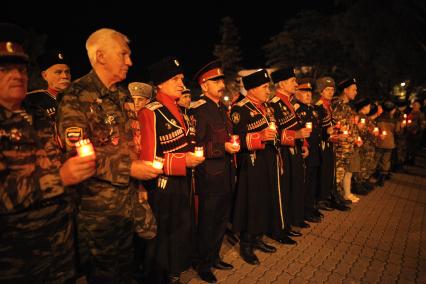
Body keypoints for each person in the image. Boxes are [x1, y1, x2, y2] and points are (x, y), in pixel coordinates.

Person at [56, 28, 162, 283]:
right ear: (101, 56)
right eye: (124, 54)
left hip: (127, 202)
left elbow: (129, 143)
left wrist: (137, 183)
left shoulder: (122, 94)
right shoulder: (76, 96)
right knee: (105, 275)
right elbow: (76, 156)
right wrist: (129, 169)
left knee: (126, 269)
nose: (130, 61)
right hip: (97, 210)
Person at [0, 22, 96, 283]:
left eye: (20, 67)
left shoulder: (36, 118)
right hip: (19, 259)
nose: (17, 75)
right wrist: (60, 178)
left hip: (60, 249)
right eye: (5, 68)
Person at [138, 56, 204, 284]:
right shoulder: (151, 112)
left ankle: (174, 269)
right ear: (160, 83)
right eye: (175, 79)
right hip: (163, 183)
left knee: (179, 228)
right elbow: (148, 159)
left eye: (182, 78)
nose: (182, 84)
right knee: (163, 232)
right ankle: (158, 275)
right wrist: (181, 162)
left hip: (183, 181)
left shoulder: (179, 109)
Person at [190, 60, 239, 282]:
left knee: (221, 219)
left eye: (221, 80)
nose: (221, 84)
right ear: (204, 86)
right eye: (215, 81)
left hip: (227, 173)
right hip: (209, 176)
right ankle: (203, 264)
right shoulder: (199, 110)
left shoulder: (222, 108)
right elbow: (195, 145)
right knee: (208, 221)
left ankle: (215, 256)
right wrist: (222, 147)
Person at [231, 69, 279, 265]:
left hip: (266, 158)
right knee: (251, 201)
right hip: (250, 162)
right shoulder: (240, 108)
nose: (268, 90)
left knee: (264, 198)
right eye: (265, 87)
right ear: (251, 89)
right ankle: (246, 243)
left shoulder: (265, 107)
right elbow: (235, 137)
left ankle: (258, 237)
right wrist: (259, 137)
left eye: (269, 86)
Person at [269, 67, 311, 242]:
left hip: (294, 150)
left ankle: (287, 225)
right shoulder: (274, 104)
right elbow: (275, 133)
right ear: (281, 83)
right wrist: (297, 136)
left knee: (293, 189)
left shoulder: (289, 101)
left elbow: (297, 127)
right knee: (283, 191)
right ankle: (279, 230)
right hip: (283, 154)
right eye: (292, 80)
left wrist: (304, 143)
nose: (296, 83)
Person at [314, 77, 350, 211]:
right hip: (323, 145)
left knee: (330, 172)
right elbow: (318, 130)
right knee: (324, 172)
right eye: (327, 90)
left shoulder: (328, 105)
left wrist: (337, 132)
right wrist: (328, 133)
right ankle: (322, 199)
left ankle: (331, 196)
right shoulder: (319, 106)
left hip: (330, 143)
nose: (330, 92)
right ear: (321, 92)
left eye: (332, 90)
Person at [332, 78, 362, 203]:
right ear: (345, 90)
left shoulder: (346, 107)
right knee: (338, 174)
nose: (356, 92)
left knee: (343, 172)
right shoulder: (338, 105)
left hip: (347, 146)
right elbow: (337, 126)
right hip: (340, 146)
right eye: (354, 89)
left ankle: (340, 196)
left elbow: (350, 126)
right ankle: (336, 198)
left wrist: (356, 138)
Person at [23, 50, 71, 129]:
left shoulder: (78, 98)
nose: (65, 76)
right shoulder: (31, 100)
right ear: (45, 75)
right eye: (58, 72)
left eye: (67, 72)